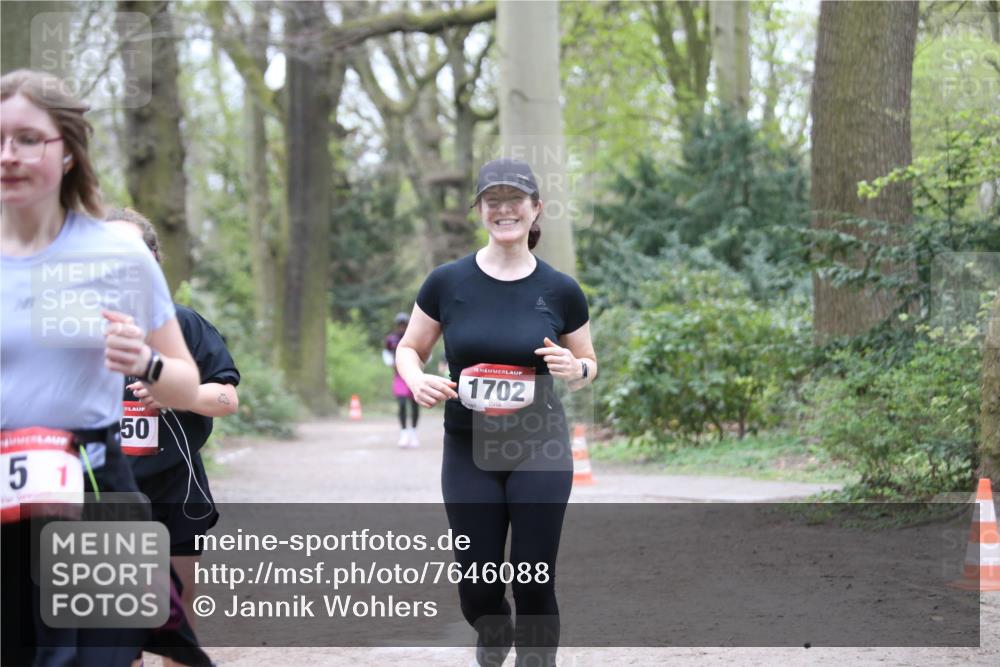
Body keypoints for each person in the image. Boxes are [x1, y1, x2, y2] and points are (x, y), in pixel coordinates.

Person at [1, 70, 203, 666]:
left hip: (89, 481)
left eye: (29, 138)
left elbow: (187, 384)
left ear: (67, 153)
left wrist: (144, 359)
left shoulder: (118, 255)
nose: (8, 154)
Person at [395, 157, 598, 667]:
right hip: (468, 446)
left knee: (533, 576)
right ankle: (492, 628)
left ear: (536, 210)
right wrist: (417, 377)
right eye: (493, 201)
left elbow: (588, 362)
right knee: (477, 584)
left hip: (540, 445)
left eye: (515, 201)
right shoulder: (447, 282)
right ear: (481, 210)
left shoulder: (560, 289)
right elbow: (409, 348)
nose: (504, 210)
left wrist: (575, 369)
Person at [105, 207, 240, 657]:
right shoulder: (68, 329)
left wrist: (176, 395)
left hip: (175, 494)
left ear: (154, 262)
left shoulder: (183, 325)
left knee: (175, 629)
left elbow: (227, 399)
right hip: (100, 496)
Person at [385, 312, 419, 447]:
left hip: (414, 373)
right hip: (399, 375)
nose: (402, 327)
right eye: (400, 324)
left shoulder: (415, 337)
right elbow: (386, 352)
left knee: (415, 404)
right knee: (402, 403)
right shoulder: (391, 339)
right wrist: (390, 362)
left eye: (404, 324)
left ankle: (414, 432)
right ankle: (404, 433)